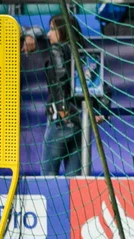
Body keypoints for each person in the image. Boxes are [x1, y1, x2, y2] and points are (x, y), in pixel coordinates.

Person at [40, 14, 108, 176]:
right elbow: (104, 87)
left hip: (62, 120)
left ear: (63, 31)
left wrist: (64, 110)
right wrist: (99, 113)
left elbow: (59, 80)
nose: (48, 34)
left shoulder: (56, 50)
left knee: (47, 177)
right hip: (81, 124)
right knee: (76, 180)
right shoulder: (86, 53)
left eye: (52, 30)